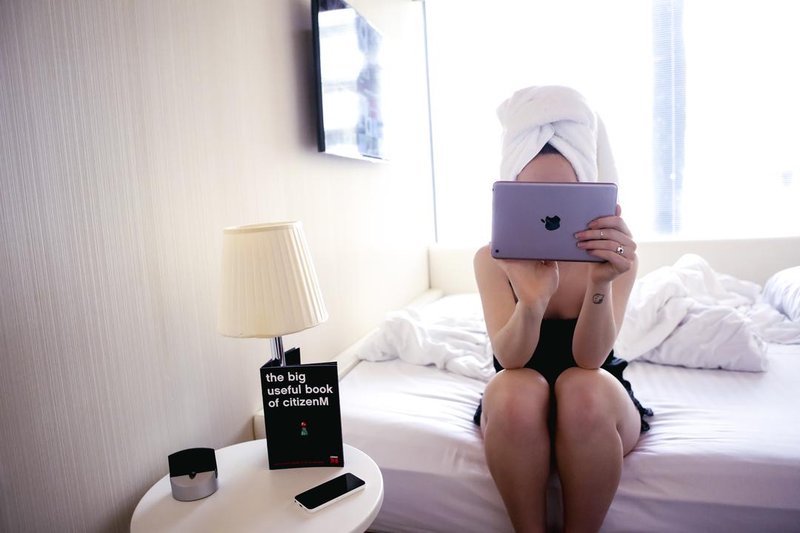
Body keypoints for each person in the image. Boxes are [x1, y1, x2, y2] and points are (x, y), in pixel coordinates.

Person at [473, 85, 652, 533]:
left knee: (582, 387)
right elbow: (510, 360)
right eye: (535, 196)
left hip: (596, 399)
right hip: (517, 399)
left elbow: (590, 360)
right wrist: (532, 302)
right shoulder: (493, 259)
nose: (550, 214)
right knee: (515, 389)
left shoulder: (615, 260)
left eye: (564, 195)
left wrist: (599, 283)